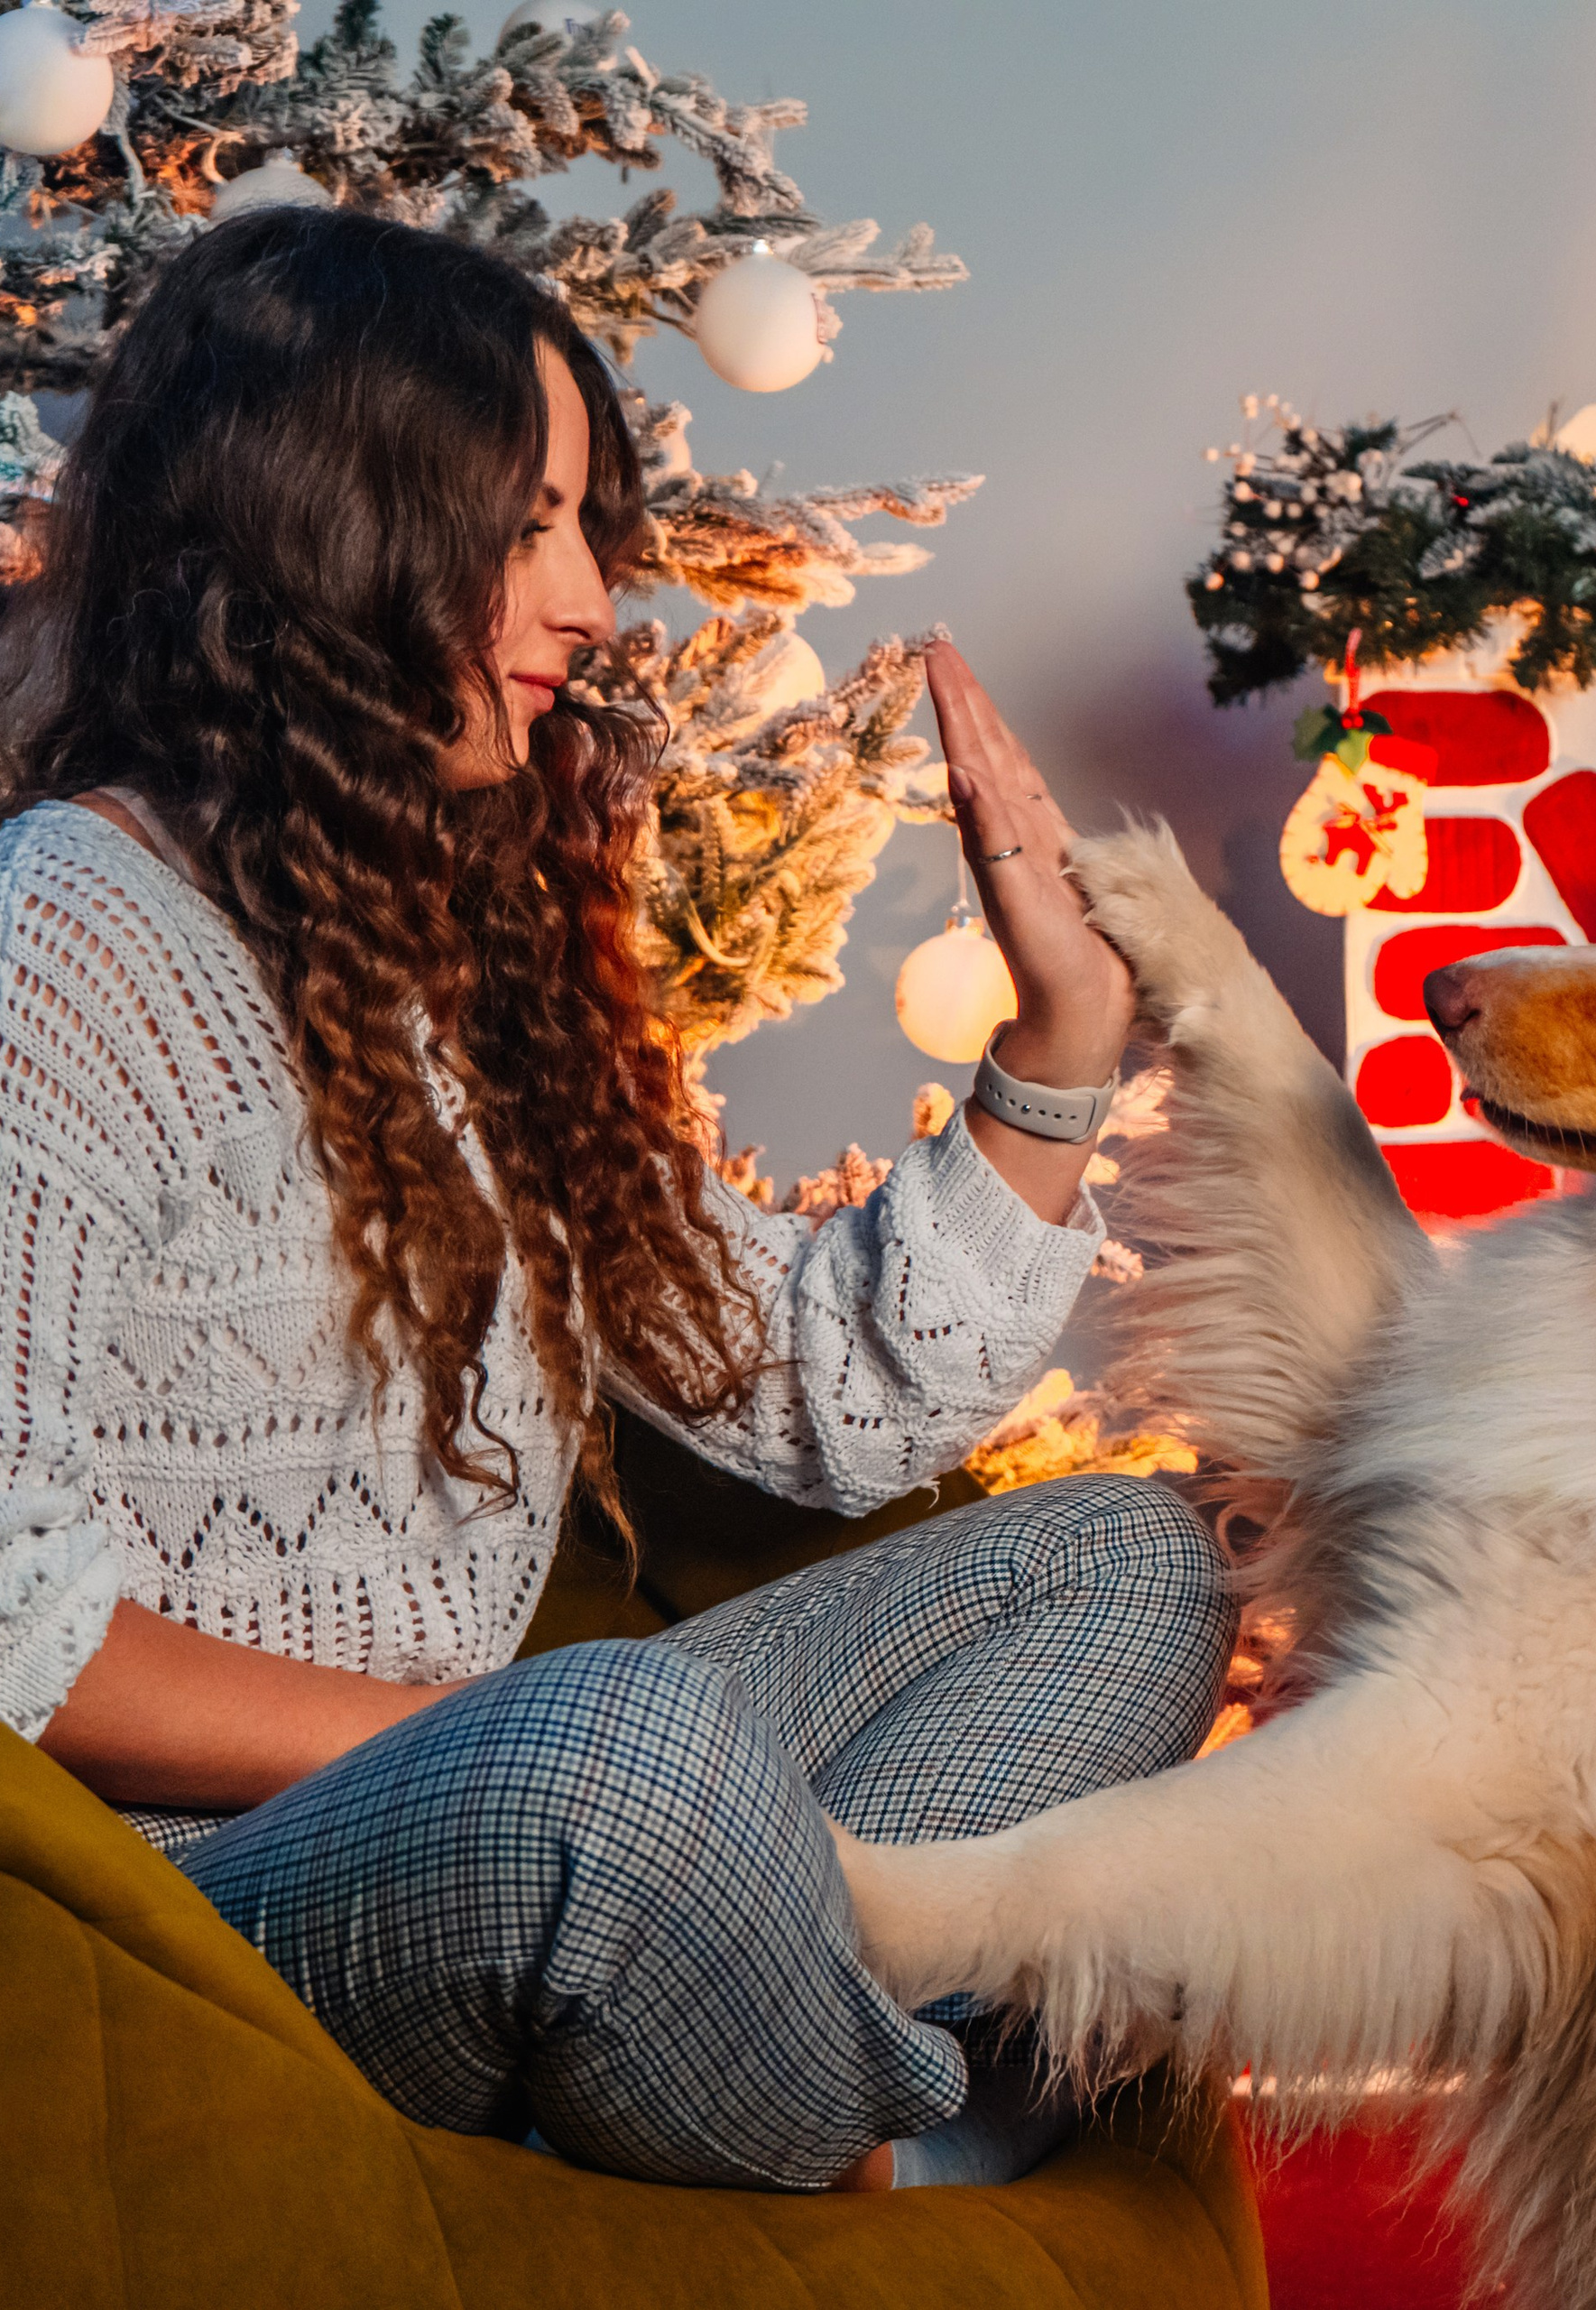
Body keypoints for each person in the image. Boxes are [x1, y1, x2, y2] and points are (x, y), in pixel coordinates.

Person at [0, 207, 1231, 2192]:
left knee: (1123, 1568)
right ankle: (892, 2143)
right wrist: (473, 1750)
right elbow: (11, 1622)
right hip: (215, 1900)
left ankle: (727, 2035)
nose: (587, 600)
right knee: (616, 1747)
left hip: (535, 1807)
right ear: (337, 519)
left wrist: (1060, 1034)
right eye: (532, 521)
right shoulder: (65, 934)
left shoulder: (443, 949)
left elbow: (825, 1380)